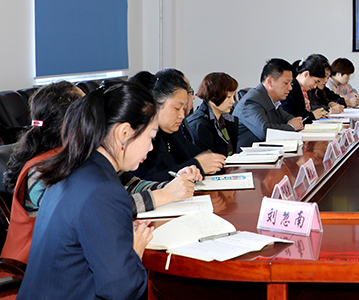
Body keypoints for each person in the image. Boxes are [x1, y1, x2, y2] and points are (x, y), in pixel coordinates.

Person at [1, 81, 198, 264]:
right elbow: (96, 211)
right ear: (75, 121)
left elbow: (127, 185)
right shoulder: (41, 171)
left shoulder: (81, 157)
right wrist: (162, 195)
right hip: (34, 271)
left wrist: (172, 186)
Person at [16, 83, 157, 300]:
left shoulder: (72, 167)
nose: (151, 147)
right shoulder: (103, 189)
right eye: (151, 136)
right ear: (124, 132)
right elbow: (121, 290)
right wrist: (134, 254)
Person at [132, 69, 226, 181]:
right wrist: (198, 165)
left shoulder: (173, 133)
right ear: (155, 105)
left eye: (184, 108)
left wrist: (209, 163)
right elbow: (147, 180)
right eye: (177, 108)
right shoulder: (140, 138)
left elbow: (196, 156)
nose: (182, 115)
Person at [234, 58, 305, 149]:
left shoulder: (272, 100)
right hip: (249, 155)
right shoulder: (251, 101)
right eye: (286, 83)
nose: (290, 88)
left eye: (290, 84)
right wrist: (291, 127)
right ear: (270, 82)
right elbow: (265, 132)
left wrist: (295, 123)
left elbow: (288, 118)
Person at [185, 72, 240, 156]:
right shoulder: (199, 125)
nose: (233, 101)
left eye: (233, 96)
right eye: (229, 97)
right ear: (214, 96)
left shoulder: (227, 119)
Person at [281, 54, 329, 123]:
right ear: (306, 74)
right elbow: (290, 117)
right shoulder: (291, 89)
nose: (315, 86)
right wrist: (312, 115)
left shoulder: (302, 89)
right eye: (315, 82)